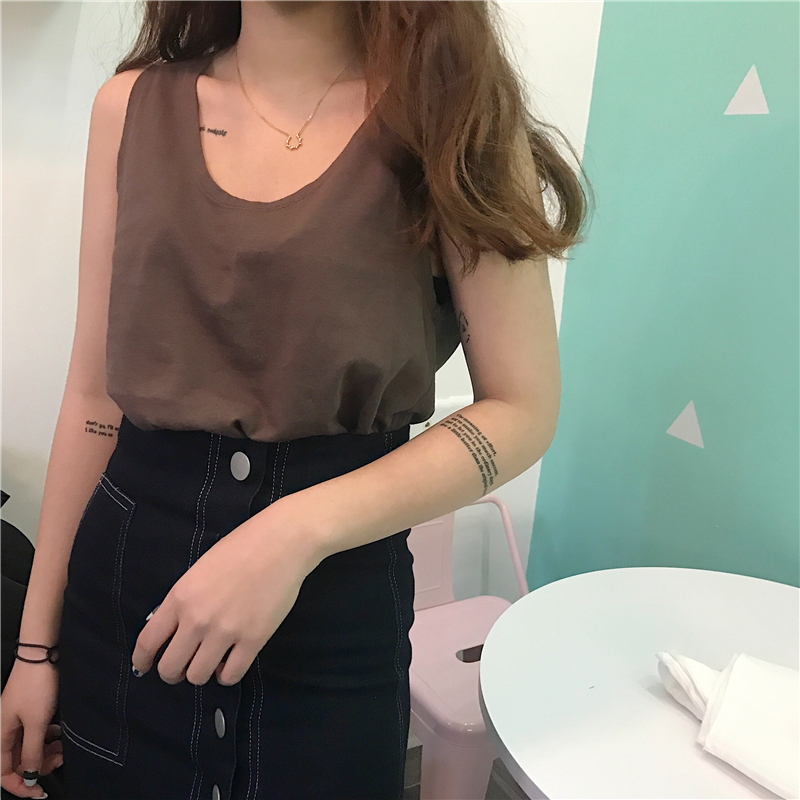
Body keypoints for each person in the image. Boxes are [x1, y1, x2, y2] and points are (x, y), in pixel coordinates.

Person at [1, 2, 589, 798]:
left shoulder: (454, 121)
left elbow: (521, 408)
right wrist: (36, 650)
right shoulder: (129, 109)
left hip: (334, 625)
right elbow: (93, 398)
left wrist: (293, 533)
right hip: (125, 613)